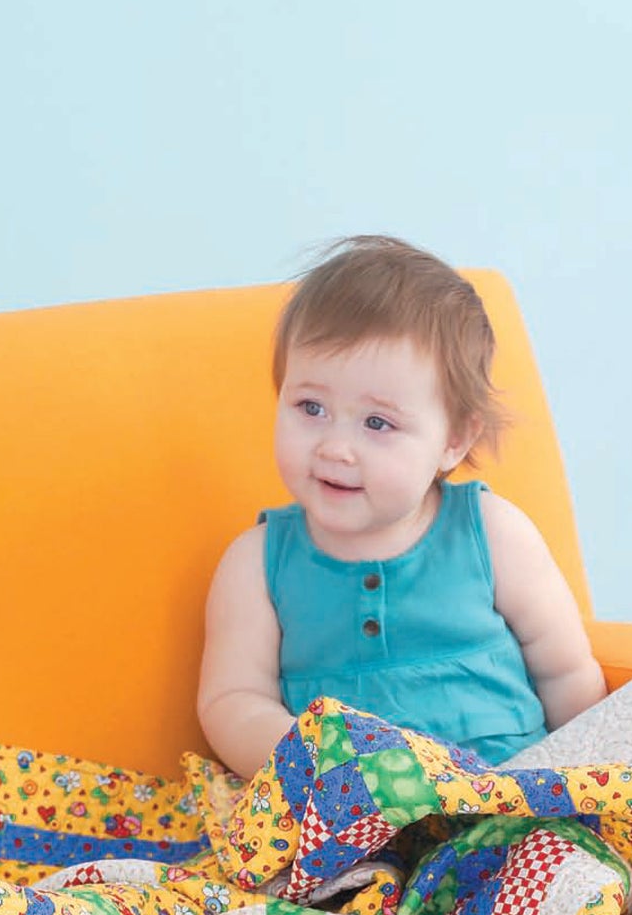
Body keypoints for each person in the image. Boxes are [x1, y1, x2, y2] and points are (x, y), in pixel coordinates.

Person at [197, 235, 606, 779]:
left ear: (453, 441)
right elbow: (232, 700)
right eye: (310, 407)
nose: (335, 447)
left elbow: (567, 674)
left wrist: (593, 776)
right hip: (351, 815)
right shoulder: (256, 562)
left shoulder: (494, 534)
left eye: (377, 423)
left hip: (507, 792)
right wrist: (315, 768)